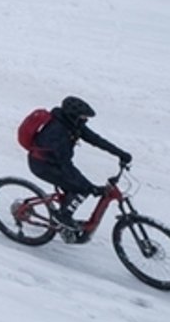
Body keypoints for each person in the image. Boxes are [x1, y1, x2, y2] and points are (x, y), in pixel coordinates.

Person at [27, 95, 132, 240]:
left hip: (56, 163)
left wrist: (121, 153)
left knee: (78, 187)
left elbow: (96, 140)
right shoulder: (56, 131)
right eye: (83, 117)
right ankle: (62, 217)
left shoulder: (72, 124)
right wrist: (89, 186)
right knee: (81, 189)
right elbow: (64, 165)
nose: (85, 120)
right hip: (43, 165)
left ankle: (64, 222)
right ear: (73, 116)